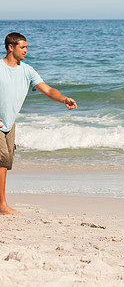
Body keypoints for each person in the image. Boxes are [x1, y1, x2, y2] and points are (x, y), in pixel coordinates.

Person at [0, 32, 77, 215]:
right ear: (11, 47)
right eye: (22, 47)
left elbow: (48, 90)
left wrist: (63, 99)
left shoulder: (27, 70)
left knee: (5, 163)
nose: (26, 50)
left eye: (26, 47)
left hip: (9, 123)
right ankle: (2, 206)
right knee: (1, 162)